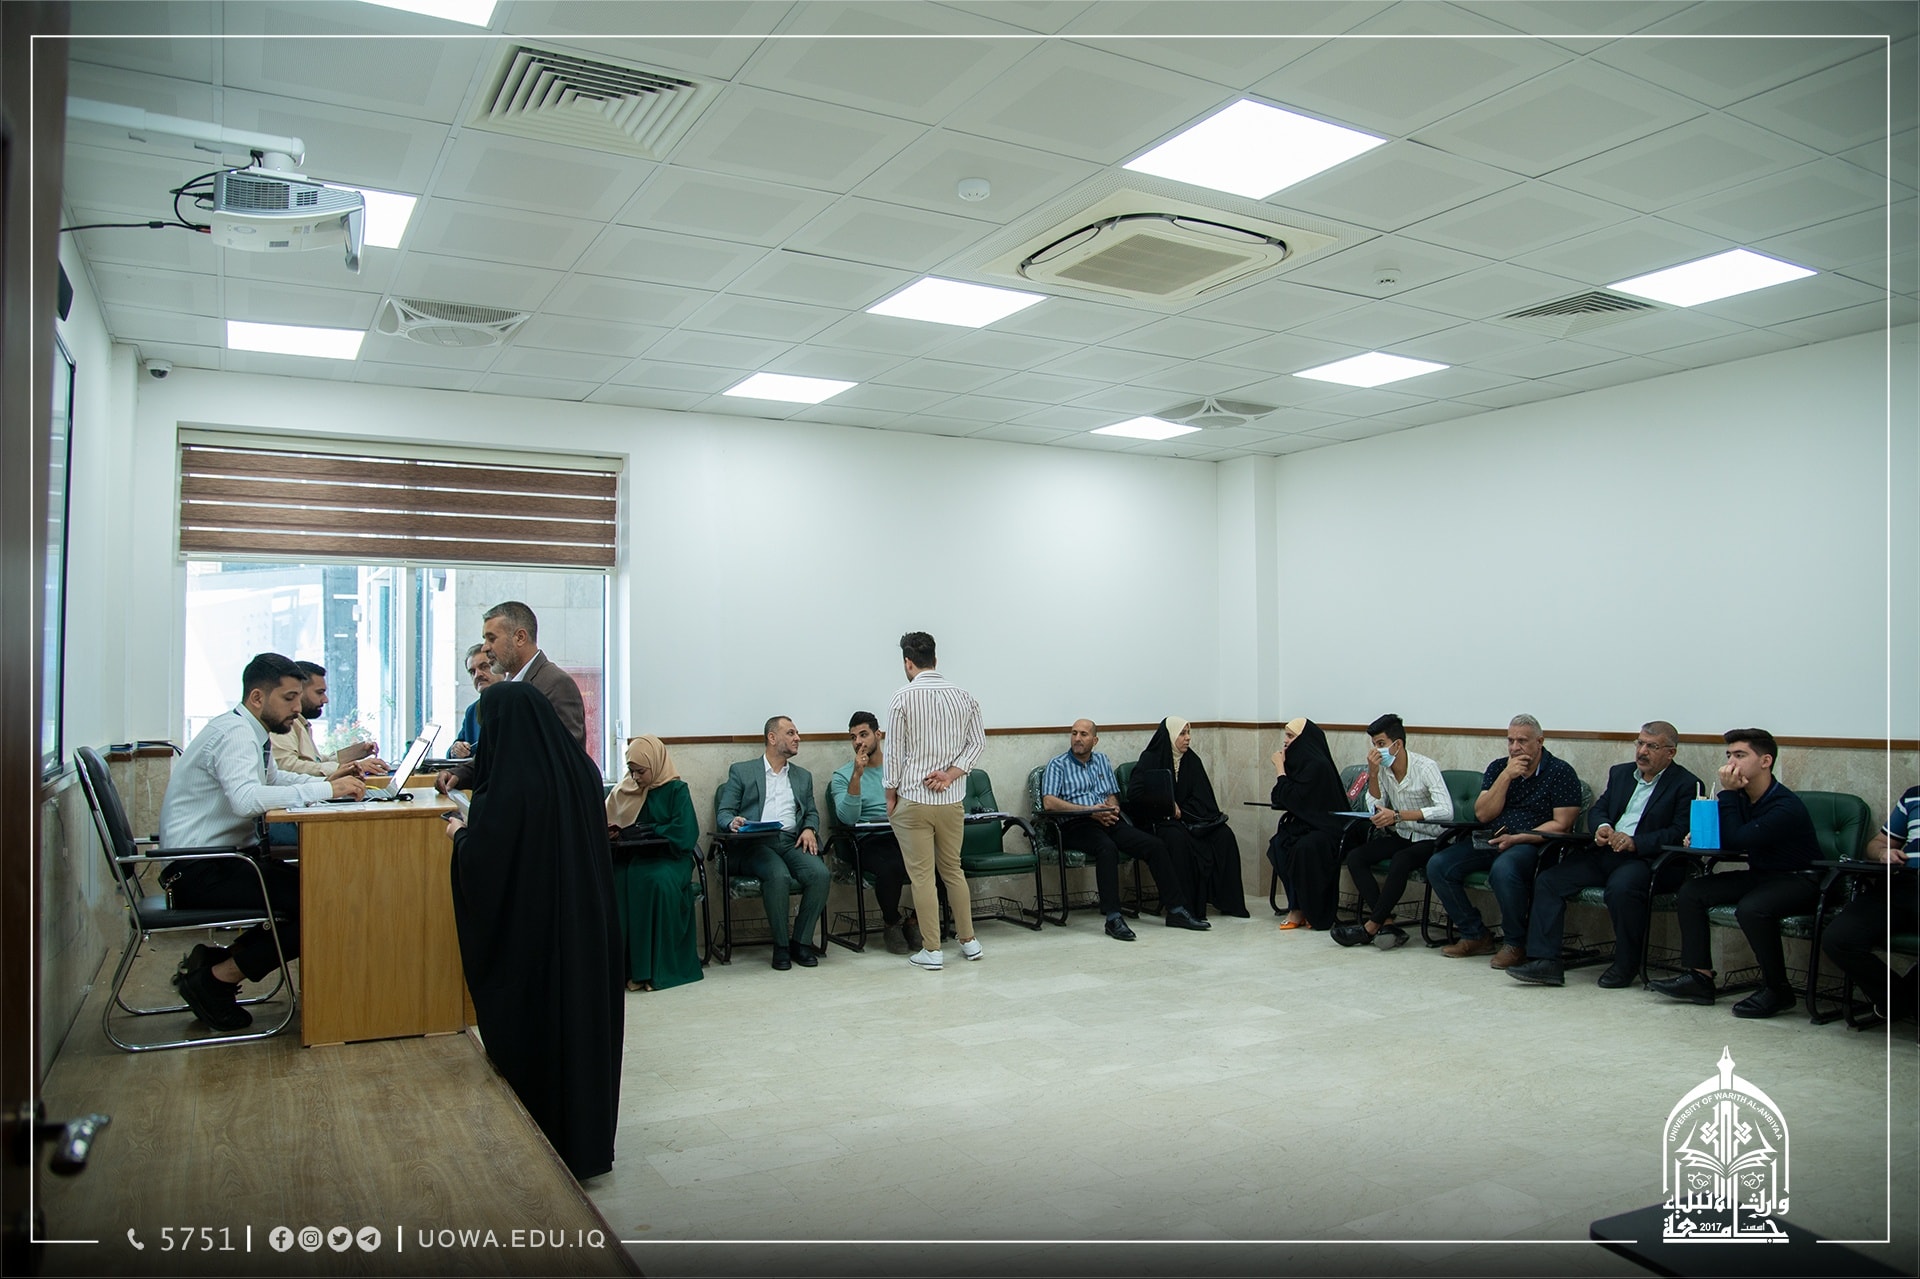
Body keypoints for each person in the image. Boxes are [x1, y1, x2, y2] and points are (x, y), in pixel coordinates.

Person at [445, 680, 622, 1179]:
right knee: (583, 1035)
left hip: (537, 942)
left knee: (543, 1038)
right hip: (587, 934)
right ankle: (587, 1147)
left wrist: (460, 836)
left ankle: (540, 1144)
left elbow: (487, 865)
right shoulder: (583, 771)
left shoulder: (509, 785)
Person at [161, 652, 366, 1031]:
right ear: (257, 697)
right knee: (321, 904)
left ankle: (219, 963)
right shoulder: (236, 735)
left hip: (222, 863)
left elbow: (273, 781)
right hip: (199, 872)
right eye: (288, 698)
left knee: (320, 892)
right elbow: (246, 800)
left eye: (297, 697)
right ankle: (216, 978)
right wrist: (326, 790)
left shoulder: (249, 730)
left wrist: (330, 784)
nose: (297, 708)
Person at [1507, 722, 1698, 988]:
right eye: (1640, 743)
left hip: (1646, 859)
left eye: (1652, 746)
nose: (1642, 751)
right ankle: (1546, 961)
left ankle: (1626, 964)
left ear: (1671, 752)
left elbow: (1679, 831)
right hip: (1606, 852)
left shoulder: (1686, 784)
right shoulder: (1621, 773)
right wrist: (1603, 827)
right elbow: (1599, 810)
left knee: (1622, 888)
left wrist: (1635, 842)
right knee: (1550, 880)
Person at [1650, 728, 1821, 1018]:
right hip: (1763, 876)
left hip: (1800, 879)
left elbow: (1739, 839)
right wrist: (1698, 836)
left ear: (1765, 761)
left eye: (1740, 755)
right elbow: (1727, 839)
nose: (1730, 763)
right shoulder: (1742, 798)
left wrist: (1728, 793)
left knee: (1752, 909)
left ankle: (1777, 989)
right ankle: (1699, 977)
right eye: (1729, 755)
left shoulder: (1785, 805)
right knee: (1692, 891)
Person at [1428, 714, 1581, 964]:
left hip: (1532, 842)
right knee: (1439, 865)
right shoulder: (1499, 767)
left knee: (1504, 869)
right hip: (1493, 836)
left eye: (1522, 741)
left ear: (1540, 741)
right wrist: (1506, 776)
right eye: (1510, 740)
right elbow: (1483, 814)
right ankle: (1475, 934)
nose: (1514, 747)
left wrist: (1519, 837)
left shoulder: (1560, 772)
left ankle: (1515, 943)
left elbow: (1562, 824)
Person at [1041, 719, 1208, 941]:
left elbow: (1112, 794)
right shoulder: (1058, 764)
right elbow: (1049, 803)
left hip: (1108, 819)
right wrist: (1089, 811)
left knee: (1154, 845)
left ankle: (1176, 910)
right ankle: (1113, 918)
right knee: (1107, 848)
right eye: (1074, 733)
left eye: (1083, 734)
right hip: (1076, 824)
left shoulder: (1102, 760)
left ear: (1095, 740)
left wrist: (1113, 808)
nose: (1077, 739)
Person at [884, 631, 986, 971]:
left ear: (908, 662)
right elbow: (977, 743)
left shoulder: (901, 698)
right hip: (951, 799)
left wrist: (890, 795)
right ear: (935, 659)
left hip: (913, 798)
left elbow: (894, 752)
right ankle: (969, 942)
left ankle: (932, 950)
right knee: (953, 870)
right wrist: (951, 774)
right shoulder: (965, 696)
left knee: (923, 877)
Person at [1331, 714, 1453, 950]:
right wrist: (1373, 774)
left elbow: (1446, 811)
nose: (1376, 751)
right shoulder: (1384, 770)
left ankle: (1371, 926)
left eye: (1381, 744)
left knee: (1401, 860)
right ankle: (1386, 922)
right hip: (1402, 834)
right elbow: (1374, 806)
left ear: (1397, 744)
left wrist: (1398, 815)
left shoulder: (1426, 767)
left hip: (1431, 838)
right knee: (1356, 857)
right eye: (1374, 745)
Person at [717, 716, 830, 971]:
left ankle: (800, 942)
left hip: (790, 841)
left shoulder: (803, 776)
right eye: (790, 733)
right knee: (777, 875)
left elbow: (811, 812)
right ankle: (781, 946)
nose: (797, 738)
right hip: (755, 843)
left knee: (820, 874)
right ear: (772, 738)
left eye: (797, 733)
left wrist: (810, 828)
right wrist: (733, 822)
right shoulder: (742, 771)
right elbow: (724, 812)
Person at [437, 600, 586, 791]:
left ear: (520, 638)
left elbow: (564, 760)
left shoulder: (556, 684)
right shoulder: (505, 689)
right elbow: (493, 756)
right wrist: (458, 774)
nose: (485, 648)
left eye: (491, 639)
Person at [828, 711, 943, 955]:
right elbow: (847, 818)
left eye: (864, 735)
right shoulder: (842, 776)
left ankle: (915, 921)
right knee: (890, 866)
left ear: (878, 735)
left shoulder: (900, 768)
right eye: (853, 737)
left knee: (941, 864)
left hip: (903, 832)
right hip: (869, 840)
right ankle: (891, 922)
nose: (858, 742)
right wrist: (857, 776)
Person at [604, 735, 703, 993]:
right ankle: (624, 970)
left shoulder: (676, 790)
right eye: (631, 770)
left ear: (655, 764)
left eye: (641, 771)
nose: (635, 777)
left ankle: (654, 971)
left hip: (670, 859)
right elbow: (605, 820)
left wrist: (653, 830)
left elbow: (685, 833)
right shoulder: (625, 790)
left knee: (654, 881)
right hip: (633, 857)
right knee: (616, 879)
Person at [1819, 784, 1919, 1021]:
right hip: (1900, 884)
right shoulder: (1913, 796)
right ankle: (1901, 1001)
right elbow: (1875, 844)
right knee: (1839, 939)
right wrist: (1884, 853)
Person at [1132, 717, 1248, 918]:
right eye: (1182, 733)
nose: (1187, 738)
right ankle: (1184, 907)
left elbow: (1204, 798)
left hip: (1192, 819)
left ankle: (1229, 902)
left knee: (1224, 835)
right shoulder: (1151, 758)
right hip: (1161, 821)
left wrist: (1183, 810)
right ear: (1170, 736)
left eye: (1188, 733)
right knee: (1177, 838)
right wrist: (1167, 804)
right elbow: (1136, 794)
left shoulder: (1192, 760)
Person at [1269, 718, 1351, 931]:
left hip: (1328, 829)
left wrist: (1280, 769)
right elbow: (1279, 797)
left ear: (1304, 739)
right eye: (1286, 735)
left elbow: (1294, 798)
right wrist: (1284, 771)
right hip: (1307, 826)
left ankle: (1313, 911)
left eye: (1290, 736)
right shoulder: (1297, 764)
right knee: (1278, 844)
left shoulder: (1318, 766)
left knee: (1303, 849)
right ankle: (1297, 906)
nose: (1286, 741)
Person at [268, 660, 383, 777]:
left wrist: (358, 752)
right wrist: (348, 768)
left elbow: (317, 761)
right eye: (319, 692)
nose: (325, 700)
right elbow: (287, 767)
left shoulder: (300, 722)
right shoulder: (284, 722)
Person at [449, 643, 497, 758]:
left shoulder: (516, 703)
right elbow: (453, 752)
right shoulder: (472, 711)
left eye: (484, 667)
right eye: (472, 672)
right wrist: (456, 750)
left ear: (500, 668)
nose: (477, 675)